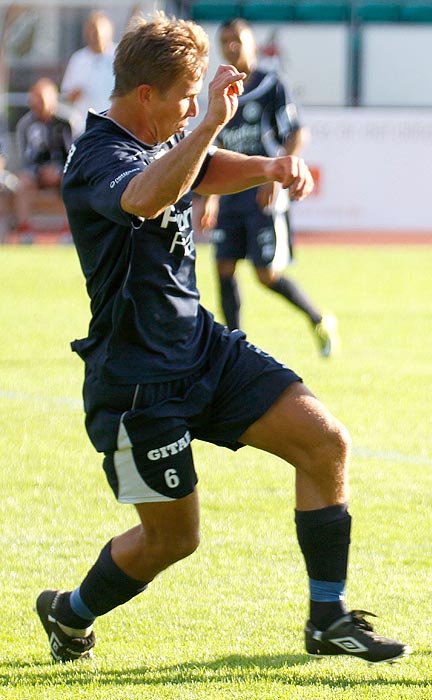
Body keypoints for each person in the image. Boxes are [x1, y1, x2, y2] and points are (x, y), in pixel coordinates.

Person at [36, 11, 409, 665]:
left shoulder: (164, 134)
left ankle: (328, 618)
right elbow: (147, 198)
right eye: (186, 96)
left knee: (324, 444)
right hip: (136, 383)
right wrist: (206, 123)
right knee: (173, 540)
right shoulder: (96, 158)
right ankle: (69, 613)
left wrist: (268, 165)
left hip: (202, 347)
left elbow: (199, 169)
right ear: (146, 94)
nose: (191, 109)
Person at [195, 18, 338, 358]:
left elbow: (297, 132)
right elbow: (216, 147)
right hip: (230, 193)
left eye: (237, 39)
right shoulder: (221, 92)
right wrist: (211, 195)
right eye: (225, 39)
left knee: (266, 274)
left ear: (252, 44)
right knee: (223, 266)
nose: (231, 45)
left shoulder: (271, 84)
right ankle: (234, 346)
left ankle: (319, 319)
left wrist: (276, 177)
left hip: (263, 193)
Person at [13, 77, 73, 232]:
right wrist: (40, 171)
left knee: (72, 180)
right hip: (37, 173)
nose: (36, 103)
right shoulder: (26, 124)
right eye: (33, 98)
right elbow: (25, 158)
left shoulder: (68, 121)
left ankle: (70, 228)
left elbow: (78, 154)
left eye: (40, 98)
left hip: (64, 171)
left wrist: (59, 170)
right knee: (23, 182)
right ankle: (24, 227)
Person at [60, 11, 117, 133]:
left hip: (115, 126)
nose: (95, 35)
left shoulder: (119, 56)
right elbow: (66, 95)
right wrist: (73, 95)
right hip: (85, 127)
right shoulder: (78, 59)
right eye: (92, 31)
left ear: (109, 32)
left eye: (98, 32)